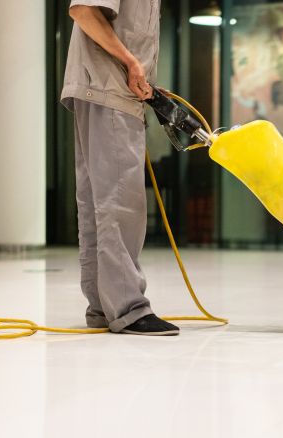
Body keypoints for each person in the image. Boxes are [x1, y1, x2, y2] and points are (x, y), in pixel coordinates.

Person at [61, 0, 179, 336]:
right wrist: (130, 63)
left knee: (99, 203)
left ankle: (103, 306)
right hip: (108, 88)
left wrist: (143, 77)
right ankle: (128, 309)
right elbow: (83, 11)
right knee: (120, 203)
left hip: (104, 89)